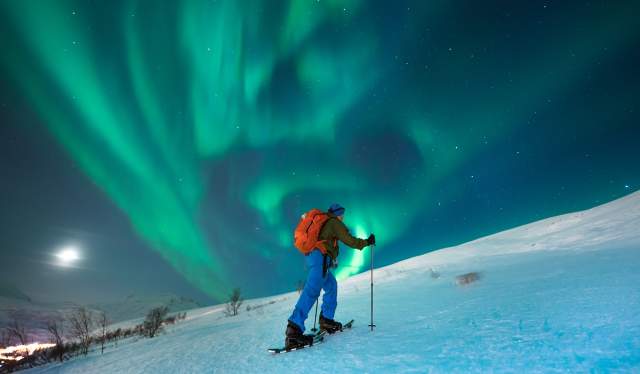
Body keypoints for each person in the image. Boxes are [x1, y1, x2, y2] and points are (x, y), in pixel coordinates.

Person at [285, 203, 376, 349]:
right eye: (342, 214)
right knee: (312, 291)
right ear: (337, 213)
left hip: (319, 259)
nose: (343, 217)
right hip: (319, 259)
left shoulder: (325, 222)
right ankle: (293, 330)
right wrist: (367, 242)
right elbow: (349, 240)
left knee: (331, 285)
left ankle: (326, 319)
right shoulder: (333, 222)